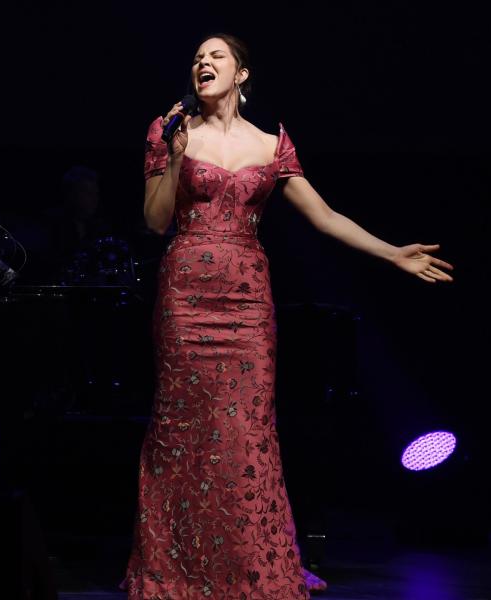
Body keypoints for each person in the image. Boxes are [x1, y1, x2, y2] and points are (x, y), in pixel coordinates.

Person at [125, 34, 453, 599]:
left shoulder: (271, 144)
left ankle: (249, 564)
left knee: (246, 433)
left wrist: (391, 252)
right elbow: (156, 222)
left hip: (248, 304)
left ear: (242, 74)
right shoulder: (170, 131)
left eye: (216, 56)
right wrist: (175, 160)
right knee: (184, 430)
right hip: (186, 297)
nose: (203, 63)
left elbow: (324, 217)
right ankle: (177, 565)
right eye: (197, 58)